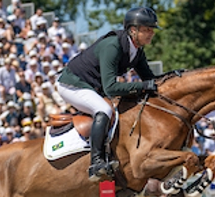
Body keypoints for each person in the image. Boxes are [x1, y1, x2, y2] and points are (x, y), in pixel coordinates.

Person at [56, 7, 159, 182]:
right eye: (147, 29)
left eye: (152, 30)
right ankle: (96, 162)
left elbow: (151, 80)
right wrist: (143, 86)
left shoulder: (137, 51)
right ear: (133, 30)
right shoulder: (113, 45)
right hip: (72, 84)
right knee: (104, 109)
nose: (151, 33)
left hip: (92, 86)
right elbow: (111, 87)